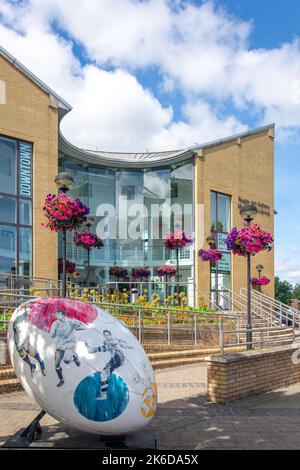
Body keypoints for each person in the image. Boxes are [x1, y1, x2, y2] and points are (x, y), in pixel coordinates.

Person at [86, 330, 133, 400]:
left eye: (108, 335)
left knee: (109, 347)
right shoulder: (107, 342)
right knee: (105, 374)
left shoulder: (113, 341)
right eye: (105, 335)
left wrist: (128, 346)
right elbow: (105, 347)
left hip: (118, 357)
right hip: (114, 359)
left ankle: (92, 350)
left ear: (110, 335)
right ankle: (105, 394)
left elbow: (120, 344)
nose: (106, 336)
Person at [50, 310, 86, 387]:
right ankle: (61, 380)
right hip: (60, 345)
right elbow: (52, 336)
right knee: (56, 365)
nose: (56, 315)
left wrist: (80, 327)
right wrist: (55, 330)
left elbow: (81, 326)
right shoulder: (55, 324)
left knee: (66, 361)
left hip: (70, 344)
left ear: (62, 314)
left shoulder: (70, 321)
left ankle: (74, 357)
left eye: (58, 314)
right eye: (56, 314)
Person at [13, 310, 46, 378]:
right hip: (19, 340)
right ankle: (32, 365)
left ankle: (41, 363)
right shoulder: (21, 319)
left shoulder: (25, 320)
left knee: (30, 350)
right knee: (22, 354)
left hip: (23, 341)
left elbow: (24, 334)